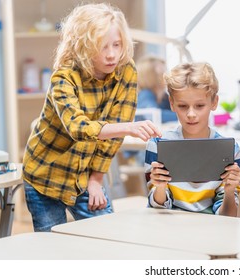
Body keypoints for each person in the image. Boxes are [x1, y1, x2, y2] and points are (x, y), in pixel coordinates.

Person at [22, 3, 161, 232]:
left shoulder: (126, 70)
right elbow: (77, 127)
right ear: (82, 46)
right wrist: (128, 128)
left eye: (117, 45)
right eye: (102, 47)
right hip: (43, 176)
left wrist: (96, 180)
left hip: (83, 177)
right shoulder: (63, 78)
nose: (112, 54)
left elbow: (113, 136)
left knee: (106, 236)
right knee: (51, 248)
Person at [144, 62, 240, 216]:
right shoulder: (158, 145)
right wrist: (160, 187)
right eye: (183, 106)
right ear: (172, 103)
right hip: (169, 229)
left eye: (199, 106)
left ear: (214, 102)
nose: (191, 114)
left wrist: (230, 191)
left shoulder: (229, 150)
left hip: (211, 231)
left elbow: (228, 217)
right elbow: (157, 211)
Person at [135, 54, 177, 123]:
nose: (167, 75)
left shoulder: (164, 97)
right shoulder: (145, 94)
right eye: (162, 71)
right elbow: (153, 115)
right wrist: (182, 115)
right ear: (150, 76)